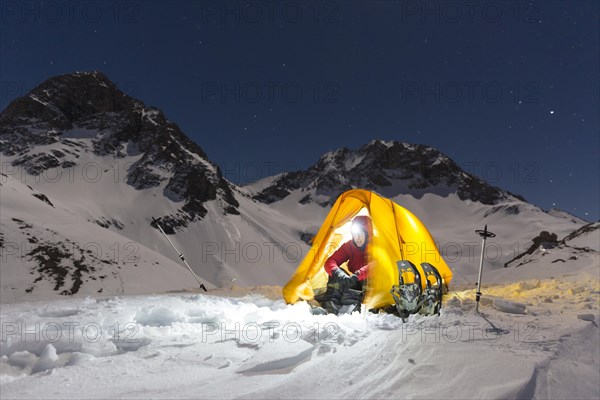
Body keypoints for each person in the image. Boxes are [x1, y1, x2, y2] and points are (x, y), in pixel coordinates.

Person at [318, 215, 373, 314]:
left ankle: (359, 305)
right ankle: (330, 305)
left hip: (370, 286)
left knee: (369, 279)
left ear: (368, 234)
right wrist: (337, 273)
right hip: (353, 282)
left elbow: (377, 265)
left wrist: (358, 275)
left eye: (361, 234)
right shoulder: (350, 246)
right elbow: (331, 261)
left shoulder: (377, 246)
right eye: (355, 234)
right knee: (335, 272)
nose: (358, 238)